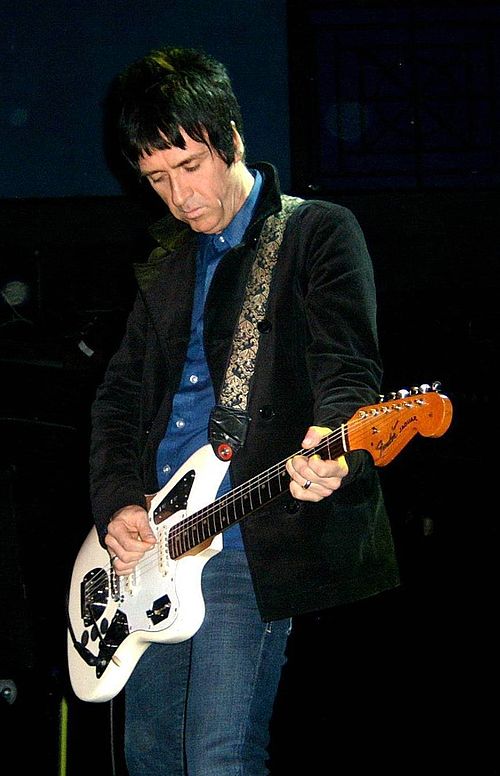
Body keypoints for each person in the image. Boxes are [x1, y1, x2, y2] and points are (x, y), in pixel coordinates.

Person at [89, 45, 400, 775]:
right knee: (151, 757)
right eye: (157, 181)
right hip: (158, 543)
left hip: (243, 533)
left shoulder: (314, 231)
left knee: (220, 757)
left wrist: (340, 442)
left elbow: (348, 367)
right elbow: (118, 399)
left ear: (230, 137)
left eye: (189, 168)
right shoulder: (166, 263)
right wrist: (116, 503)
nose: (178, 198)